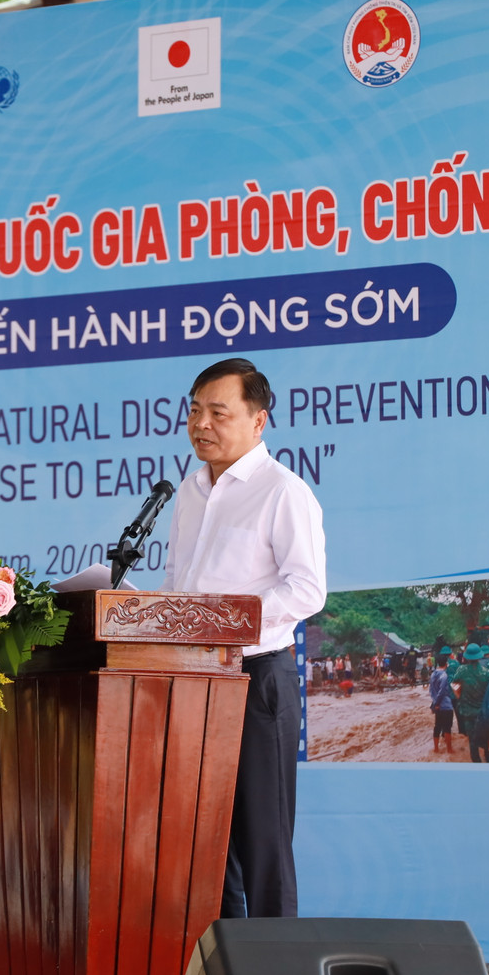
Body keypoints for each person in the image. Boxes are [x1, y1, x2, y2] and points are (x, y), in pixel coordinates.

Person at [167, 358, 325, 920]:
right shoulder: (188, 493)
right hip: (193, 684)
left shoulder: (283, 492)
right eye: (194, 411)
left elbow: (307, 590)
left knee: (263, 849)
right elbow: (178, 585)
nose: (201, 424)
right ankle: (225, 968)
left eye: (218, 412)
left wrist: (226, 623)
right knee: (208, 850)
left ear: (259, 421)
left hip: (256, 679)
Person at [454, 644, 489, 763]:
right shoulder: (487, 672)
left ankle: (476, 763)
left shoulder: (461, 670)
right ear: (480, 656)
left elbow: (454, 682)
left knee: (472, 740)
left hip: (467, 712)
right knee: (486, 738)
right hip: (483, 712)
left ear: (467, 657)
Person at [427, 657, 455, 754]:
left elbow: (431, 691)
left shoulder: (433, 674)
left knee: (437, 726)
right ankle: (449, 749)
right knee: (447, 728)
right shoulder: (444, 675)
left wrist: (435, 703)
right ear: (446, 664)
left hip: (437, 706)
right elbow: (442, 691)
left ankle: (436, 749)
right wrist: (438, 702)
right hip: (446, 705)